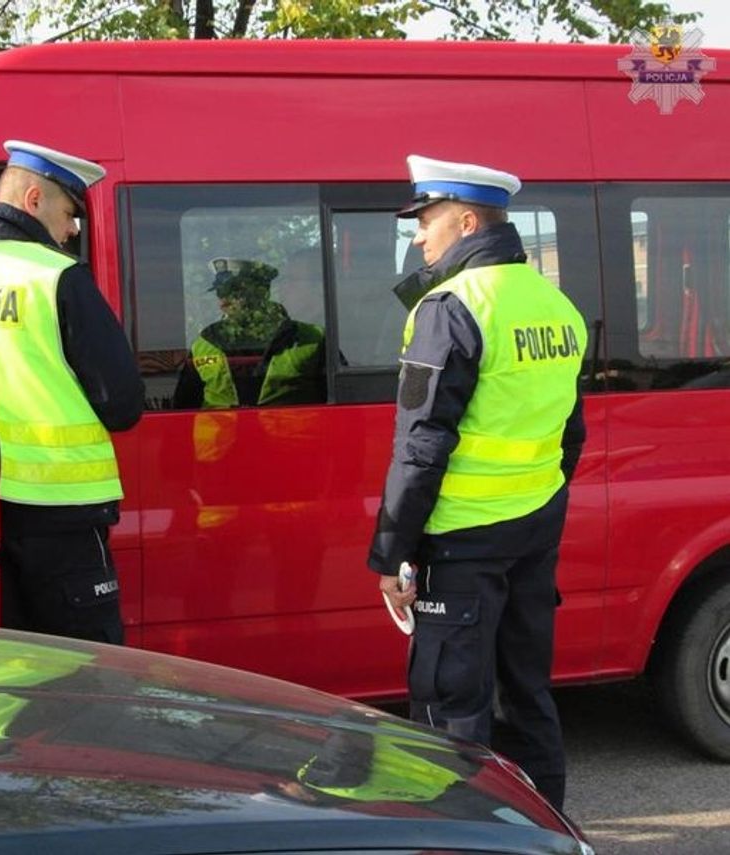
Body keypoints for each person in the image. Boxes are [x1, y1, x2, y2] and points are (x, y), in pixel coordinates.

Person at [367, 154, 587, 810]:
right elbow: (569, 436)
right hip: (534, 530)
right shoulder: (556, 304)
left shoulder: (451, 306)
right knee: (527, 697)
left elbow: (421, 447)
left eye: (425, 220)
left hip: (461, 543)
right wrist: (535, 506)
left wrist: (389, 554)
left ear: (466, 221)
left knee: (451, 712)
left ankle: (459, 838)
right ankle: (546, 831)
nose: (417, 236)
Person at [0, 140, 144, 644]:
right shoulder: (57, 277)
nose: (75, 228)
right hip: (61, 519)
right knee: (86, 678)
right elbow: (122, 404)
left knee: (0, 671)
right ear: (34, 200)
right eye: (70, 212)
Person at [172, 257, 325, 408]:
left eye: (234, 293)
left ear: (261, 293)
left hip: (289, 433)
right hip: (223, 433)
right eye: (220, 293)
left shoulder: (313, 338)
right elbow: (182, 410)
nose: (223, 302)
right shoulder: (203, 344)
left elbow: (338, 400)